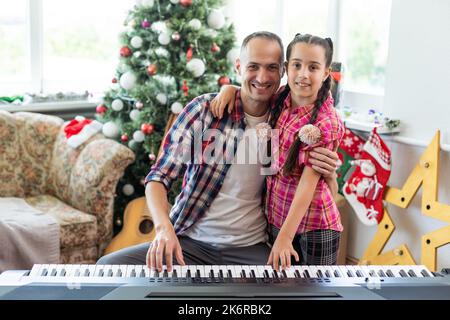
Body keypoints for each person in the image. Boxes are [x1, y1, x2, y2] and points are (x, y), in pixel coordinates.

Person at [97, 32, 339, 272]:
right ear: (239, 66)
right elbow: (158, 177)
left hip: (252, 248)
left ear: (282, 72)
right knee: (107, 270)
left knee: (294, 293)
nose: (262, 77)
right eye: (253, 66)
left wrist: (329, 176)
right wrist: (163, 229)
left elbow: (307, 177)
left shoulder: (283, 118)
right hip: (190, 243)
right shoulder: (204, 111)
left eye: (271, 68)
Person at [210, 33, 345, 270]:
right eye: (297, 65)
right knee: (280, 290)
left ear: (325, 73)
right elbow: (252, 89)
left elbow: (307, 185)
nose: (303, 74)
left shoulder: (326, 122)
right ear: (286, 68)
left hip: (314, 227)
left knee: (314, 294)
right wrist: (229, 89)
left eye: (313, 67)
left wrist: (284, 236)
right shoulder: (281, 99)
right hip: (276, 218)